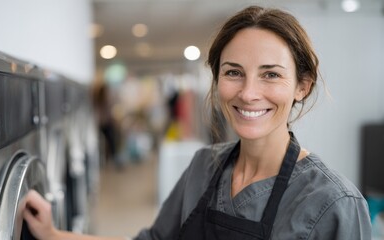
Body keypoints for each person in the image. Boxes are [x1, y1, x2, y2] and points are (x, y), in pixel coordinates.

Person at [23, 5, 372, 240]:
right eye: (233, 72)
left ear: (302, 86)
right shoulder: (205, 166)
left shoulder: (334, 203)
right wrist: (54, 234)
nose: (249, 93)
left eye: (270, 75)